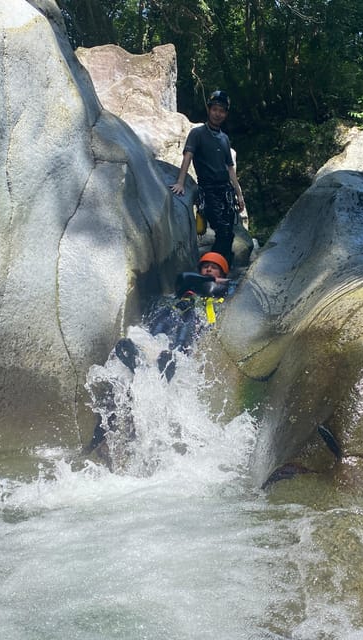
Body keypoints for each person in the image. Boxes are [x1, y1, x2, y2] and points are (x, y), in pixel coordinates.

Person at [88, 253, 233, 452]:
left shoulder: (222, 291)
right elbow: (180, 285)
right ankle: (140, 352)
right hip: (175, 313)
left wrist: (215, 284)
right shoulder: (187, 288)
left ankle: (171, 359)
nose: (208, 269)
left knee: (187, 325)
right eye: (205, 266)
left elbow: (227, 296)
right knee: (161, 322)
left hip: (196, 322)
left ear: (223, 272)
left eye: (214, 267)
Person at [170, 90, 246, 267]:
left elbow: (230, 168)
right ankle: (212, 270)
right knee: (222, 230)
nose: (218, 114)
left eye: (222, 111)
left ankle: (222, 269)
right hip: (208, 190)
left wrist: (239, 194)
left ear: (225, 114)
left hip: (225, 191)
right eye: (215, 109)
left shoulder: (224, 139)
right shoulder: (197, 134)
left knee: (229, 233)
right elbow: (188, 157)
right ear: (209, 109)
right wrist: (180, 182)